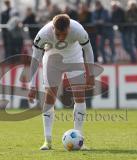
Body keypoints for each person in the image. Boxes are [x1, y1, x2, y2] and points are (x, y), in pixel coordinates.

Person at [28, 14, 95, 150]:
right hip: (52, 61)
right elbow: (35, 58)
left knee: (80, 97)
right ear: (53, 28)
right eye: (58, 34)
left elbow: (88, 49)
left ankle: (79, 139)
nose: (61, 37)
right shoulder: (43, 34)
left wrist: (91, 73)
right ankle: (47, 141)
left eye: (64, 34)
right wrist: (31, 85)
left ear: (69, 28)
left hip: (74, 59)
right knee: (49, 98)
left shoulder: (78, 30)